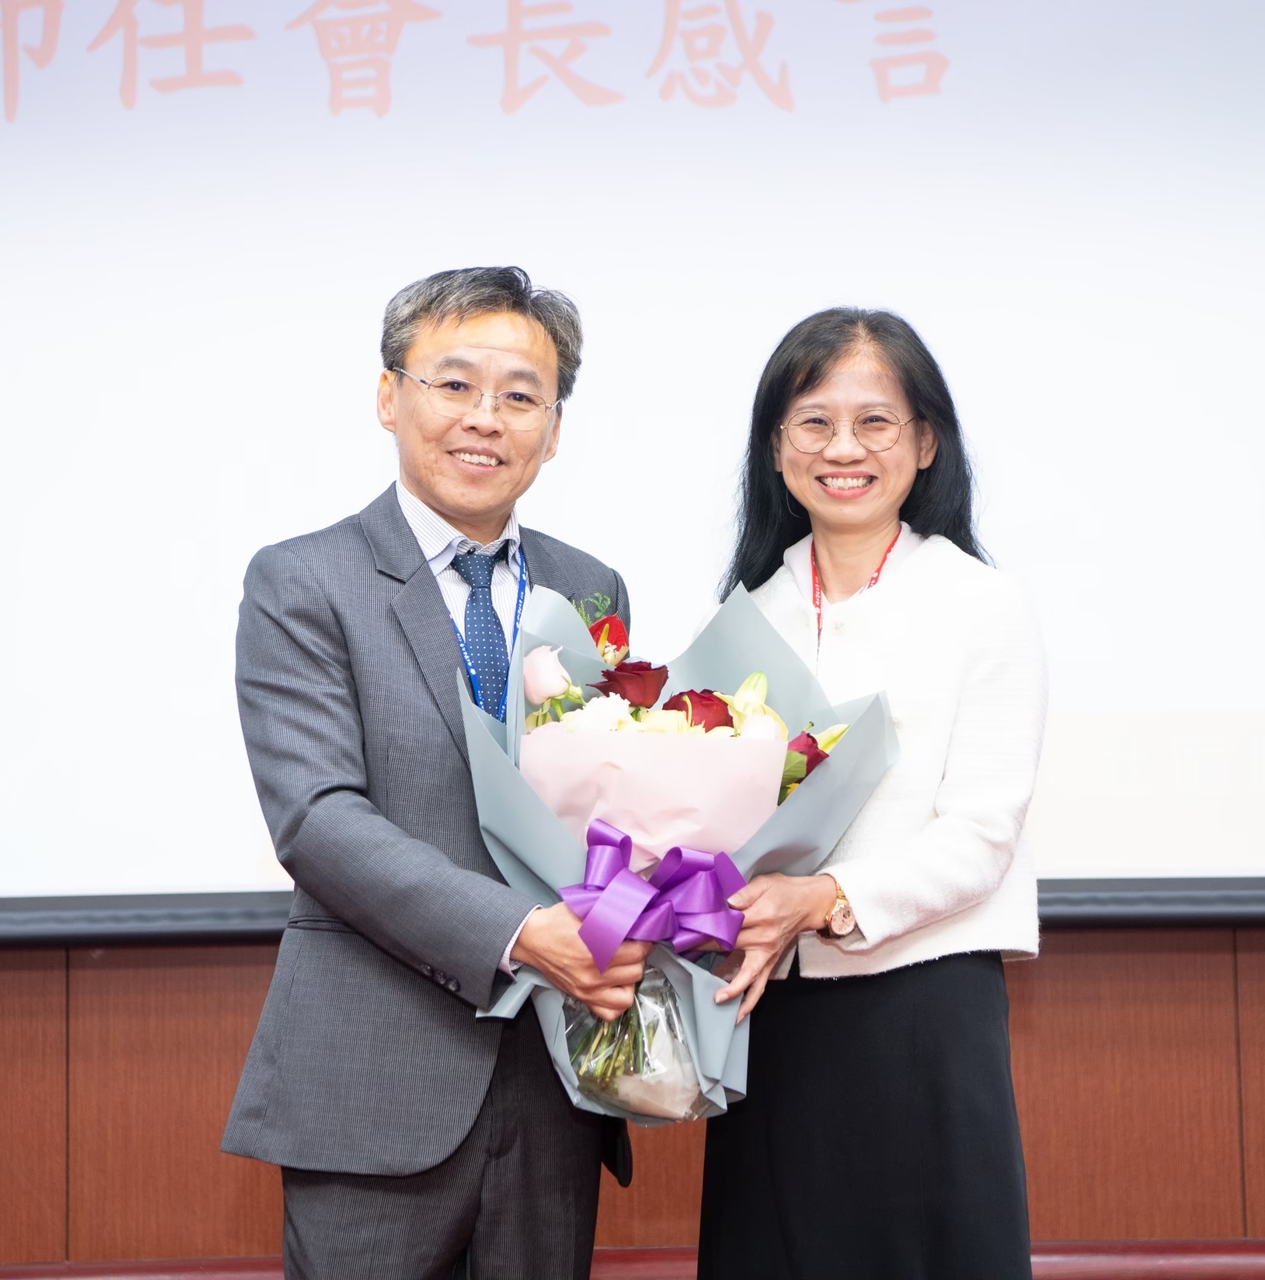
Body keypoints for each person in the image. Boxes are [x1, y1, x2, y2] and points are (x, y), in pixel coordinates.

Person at [221, 266, 650, 1280]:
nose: (485, 419)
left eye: (520, 395)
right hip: (376, 1084)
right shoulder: (303, 579)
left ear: (554, 428)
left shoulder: (591, 587)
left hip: (554, 1086)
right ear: (390, 396)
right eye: (454, 384)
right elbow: (317, 819)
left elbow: (613, 802)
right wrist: (519, 934)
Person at [698, 308, 1047, 1279]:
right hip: (770, 1017)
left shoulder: (983, 604)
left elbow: (982, 835)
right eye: (813, 422)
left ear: (925, 442)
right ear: (776, 446)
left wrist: (823, 897)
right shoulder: (746, 617)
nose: (842, 448)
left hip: (923, 1012)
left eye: (875, 422)